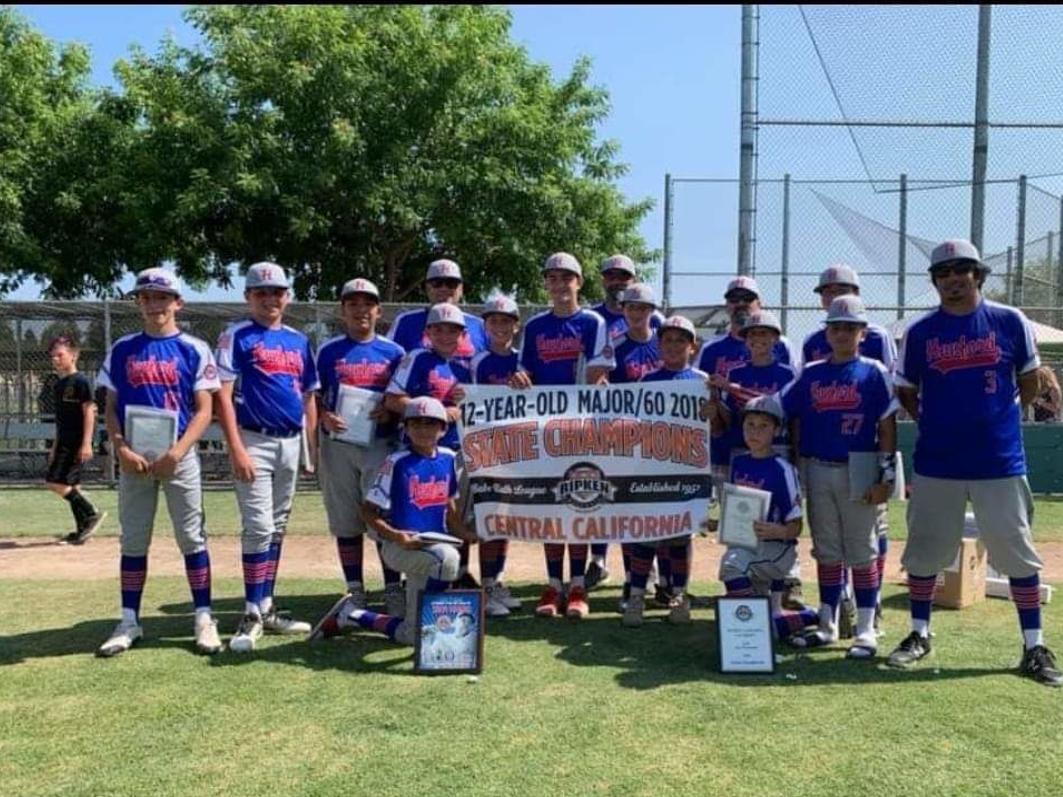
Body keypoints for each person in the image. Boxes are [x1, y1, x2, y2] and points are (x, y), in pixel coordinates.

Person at [886, 239, 1061, 686]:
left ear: (978, 275)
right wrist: (930, 418)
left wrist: (999, 417)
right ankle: (919, 633)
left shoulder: (1008, 321)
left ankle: (1033, 645)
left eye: (961, 271)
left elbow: (1028, 380)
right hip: (938, 460)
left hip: (998, 458)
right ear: (936, 282)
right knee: (925, 551)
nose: (952, 280)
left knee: (1017, 554)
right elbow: (906, 387)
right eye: (943, 274)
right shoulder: (922, 332)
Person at [95, 268, 223, 657]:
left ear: (177, 303)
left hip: (177, 458)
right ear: (139, 303)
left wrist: (177, 452)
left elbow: (205, 409)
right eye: (147, 297)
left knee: (191, 537)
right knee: (133, 539)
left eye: (162, 297)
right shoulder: (123, 348)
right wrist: (121, 447)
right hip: (135, 460)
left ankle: (203, 616)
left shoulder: (194, 348)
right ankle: (129, 620)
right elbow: (110, 407)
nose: (154, 304)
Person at [780, 296, 898, 658]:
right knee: (828, 551)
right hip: (816, 467)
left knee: (861, 551)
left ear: (863, 333)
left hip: (860, 466)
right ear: (826, 333)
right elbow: (776, 404)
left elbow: (887, 426)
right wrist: (727, 393)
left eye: (850, 327)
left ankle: (866, 630)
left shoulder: (874, 371)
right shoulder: (812, 371)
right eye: (836, 327)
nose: (842, 333)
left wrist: (887, 474)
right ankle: (829, 625)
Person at [308, 397, 478, 646]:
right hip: (399, 547)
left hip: (432, 547)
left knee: (412, 635)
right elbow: (368, 512)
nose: (423, 430)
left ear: (443, 430)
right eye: (416, 424)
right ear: (405, 428)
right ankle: (432, 623)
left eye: (431, 424)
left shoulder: (448, 458)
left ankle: (353, 615)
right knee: (448, 560)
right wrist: (396, 536)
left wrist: (469, 533)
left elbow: (450, 508)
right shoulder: (396, 462)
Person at [215, 262, 320, 653]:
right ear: (248, 297)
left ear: (287, 297)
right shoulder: (235, 335)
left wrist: (310, 448)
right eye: (261, 292)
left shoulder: (297, 340)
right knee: (258, 526)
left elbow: (309, 394)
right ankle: (250, 610)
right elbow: (222, 395)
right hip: (253, 438)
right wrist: (236, 446)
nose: (269, 298)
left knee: (276, 526)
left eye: (276, 292)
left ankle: (267, 605)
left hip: (290, 441)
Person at [510, 252, 615, 620]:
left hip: (584, 429)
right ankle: (553, 584)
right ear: (546, 284)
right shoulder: (536, 326)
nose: (559, 285)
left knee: (581, 504)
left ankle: (578, 585)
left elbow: (600, 371)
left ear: (579, 282)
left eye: (566, 278)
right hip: (546, 428)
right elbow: (525, 374)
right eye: (552, 279)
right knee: (552, 509)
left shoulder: (593, 322)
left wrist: (593, 385)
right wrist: (521, 382)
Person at [698, 276, 801, 607]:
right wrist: (716, 402)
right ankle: (748, 583)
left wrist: (730, 389)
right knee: (743, 519)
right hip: (737, 447)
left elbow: (781, 408)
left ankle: (786, 581)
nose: (740, 302)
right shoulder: (733, 367)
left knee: (779, 515)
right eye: (734, 298)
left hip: (780, 447)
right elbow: (725, 417)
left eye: (748, 297)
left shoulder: (785, 368)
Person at [315, 277, 406, 614]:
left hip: (379, 445)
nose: (360, 310)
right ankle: (355, 589)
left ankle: (393, 587)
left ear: (378, 310)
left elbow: (400, 398)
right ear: (343, 310)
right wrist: (324, 416)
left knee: (382, 518)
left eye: (367, 304)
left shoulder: (394, 352)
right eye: (353, 304)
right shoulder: (328, 350)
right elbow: (314, 396)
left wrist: (389, 410)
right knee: (346, 521)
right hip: (338, 445)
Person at [385, 302, 476, 591]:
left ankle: (453, 577)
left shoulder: (463, 367)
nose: (446, 336)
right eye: (439, 329)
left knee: (452, 517)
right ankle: (410, 584)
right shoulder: (418, 357)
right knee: (418, 518)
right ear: (428, 332)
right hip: (418, 455)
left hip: (451, 454)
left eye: (453, 330)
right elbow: (393, 399)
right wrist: (437, 410)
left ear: (462, 335)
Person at [623, 315, 706, 626]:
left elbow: (718, 427)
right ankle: (636, 597)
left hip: (686, 471)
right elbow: (632, 426)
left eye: (680, 340)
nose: (673, 345)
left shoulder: (701, 380)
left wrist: (715, 411)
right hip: (651, 469)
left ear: (692, 346)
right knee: (646, 534)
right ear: (659, 345)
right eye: (668, 340)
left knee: (680, 537)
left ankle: (679, 595)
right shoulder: (646, 381)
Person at [715, 395, 817, 642]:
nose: (755, 432)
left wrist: (777, 531)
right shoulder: (738, 463)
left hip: (777, 550)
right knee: (757, 615)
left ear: (776, 430)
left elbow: (796, 527)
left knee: (731, 566)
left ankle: (757, 628)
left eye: (763, 426)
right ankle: (814, 616)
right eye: (750, 424)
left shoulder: (783, 469)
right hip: (749, 547)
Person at [589, 257, 662, 585]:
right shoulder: (595, 317)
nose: (617, 280)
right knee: (608, 495)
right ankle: (599, 558)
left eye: (624, 276)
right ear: (603, 279)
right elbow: (596, 375)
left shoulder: (659, 326)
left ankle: (649, 569)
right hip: (614, 430)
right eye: (612, 276)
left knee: (648, 500)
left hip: (656, 434)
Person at [606, 284, 666, 605]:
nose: (636, 313)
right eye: (631, 307)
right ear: (623, 309)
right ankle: (633, 578)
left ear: (652, 310)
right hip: (624, 441)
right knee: (628, 515)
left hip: (662, 442)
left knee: (661, 513)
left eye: (643, 308)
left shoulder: (664, 344)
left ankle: (665, 580)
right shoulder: (614, 345)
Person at [469, 294, 525, 617]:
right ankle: (486, 586)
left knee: (504, 520)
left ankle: (496, 580)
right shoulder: (478, 361)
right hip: (487, 450)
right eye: (494, 321)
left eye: (506, 321)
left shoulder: (522, 360)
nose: (500, 327)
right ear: (485, 325)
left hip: (518, 449)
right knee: (488, 518)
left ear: (516, 326)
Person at [44, 335, 107, 544]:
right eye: (53, 356)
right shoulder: (59, 384)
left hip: (76, 441)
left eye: (60, 355)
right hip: (63, 440)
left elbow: (90, 412)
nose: (55, 359)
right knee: (73, 485)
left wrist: (87, 442)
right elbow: (61, 420)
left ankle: (91, 513)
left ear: (74, 355)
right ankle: (82, 531)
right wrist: (55, 445)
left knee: (54, 482)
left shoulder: (81, 381)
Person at [386, 259, 488, 373]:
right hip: (419, 390)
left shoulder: (479, 325)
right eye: (437, 283)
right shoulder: (406, 321)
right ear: (427, 288)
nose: (444, 288)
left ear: (461, 289)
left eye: (451, 284)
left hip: (470, 390)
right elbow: (387, 360)